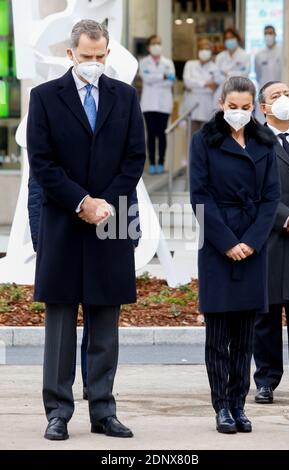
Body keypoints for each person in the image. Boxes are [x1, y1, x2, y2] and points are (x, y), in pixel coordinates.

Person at [26, 19, 146, 441]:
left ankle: (103, 409)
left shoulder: (125, 97)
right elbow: (42, 163)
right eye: (87, 56)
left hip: (110, 221)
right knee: (60, 324)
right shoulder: (43, 98)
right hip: (64, 219)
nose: (94, 63)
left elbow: (134, 159)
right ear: (70, 54)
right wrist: (82, 202)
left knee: (105, 322)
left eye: (101, 56)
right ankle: (57, 410)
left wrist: (104, 204)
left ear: (107, 53)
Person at [190, 76, 280, 434]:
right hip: (217, 243)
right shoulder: (204, 141)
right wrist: (227, 241)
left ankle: (240, 405)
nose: (239, 114)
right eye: (232, 107)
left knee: (246, 336)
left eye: (245, 108)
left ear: (254, 107)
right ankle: (222, 406)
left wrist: (253, 241)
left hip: (253, 244)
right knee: (218, 336)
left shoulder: (264, 141)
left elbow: (271, 197)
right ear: (221, 103)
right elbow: (199, 196)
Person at [27, 174, 141, 402]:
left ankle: (95, 388)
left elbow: (128, 186)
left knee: (101, 318)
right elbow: (39, 185)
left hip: (107, 229)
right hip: (62, 232)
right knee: (61, 322)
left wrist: (132, 231)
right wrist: (40, 238)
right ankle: (59, 406)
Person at [254, 81, 289, 404]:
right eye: (275, 96)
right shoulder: (254, 145)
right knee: (266, 317)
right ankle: (266, 379)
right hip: (269, 240)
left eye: (287, 94)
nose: (284, 100)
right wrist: (287, 217)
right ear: (264, 108)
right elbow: (254, 192)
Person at [139, 35, 176, 175]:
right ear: (149, 47)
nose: (157, 46)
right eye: (154, 43)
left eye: (159, 43)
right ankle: (152, 164)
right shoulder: (144, 62)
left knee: (162, 134)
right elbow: (146, 79)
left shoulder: (168, 62)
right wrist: (163, 77)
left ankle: (161, 162)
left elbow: (171, 80)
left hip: (164, 104)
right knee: (151, 133)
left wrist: (159, 77)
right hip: (148, 104)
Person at [183, 38, 222, 135]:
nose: (204, 51)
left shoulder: (215, 68)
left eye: (207, 49)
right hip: (192, 105)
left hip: (208, 106)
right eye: (202, 48)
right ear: (197, 50)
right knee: (192, 137)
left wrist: (196, 84)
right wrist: (205, 84)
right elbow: (187, 82)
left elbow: (216, 85)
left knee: (207, 138)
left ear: (211, 51)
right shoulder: (190, 64)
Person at [214, 28, 251, 108]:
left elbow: (244, 75)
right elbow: (217, 77)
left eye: (231, 38)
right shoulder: (220, 57)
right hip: (222, 92)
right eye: (227, 38)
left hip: (240, 92)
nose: (229, 40)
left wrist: (227, 73)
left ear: (237, 39)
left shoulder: (245, 55)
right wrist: (235, 73)